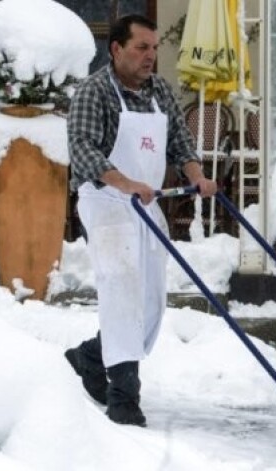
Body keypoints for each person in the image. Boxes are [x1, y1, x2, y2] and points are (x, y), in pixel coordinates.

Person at [64, 14, 217, 427]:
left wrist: (197, 176)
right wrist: (125, 182)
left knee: (150, 301)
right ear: (116, 49)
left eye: (154, 48)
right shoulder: (94, 92)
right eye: (142, 48)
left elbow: (181, 144)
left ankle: (91, 358)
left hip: (145, 203)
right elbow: (84, 151)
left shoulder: (159, 92)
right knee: (122, 289)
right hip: (107, 201)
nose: (151, 56)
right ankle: (124, 396)